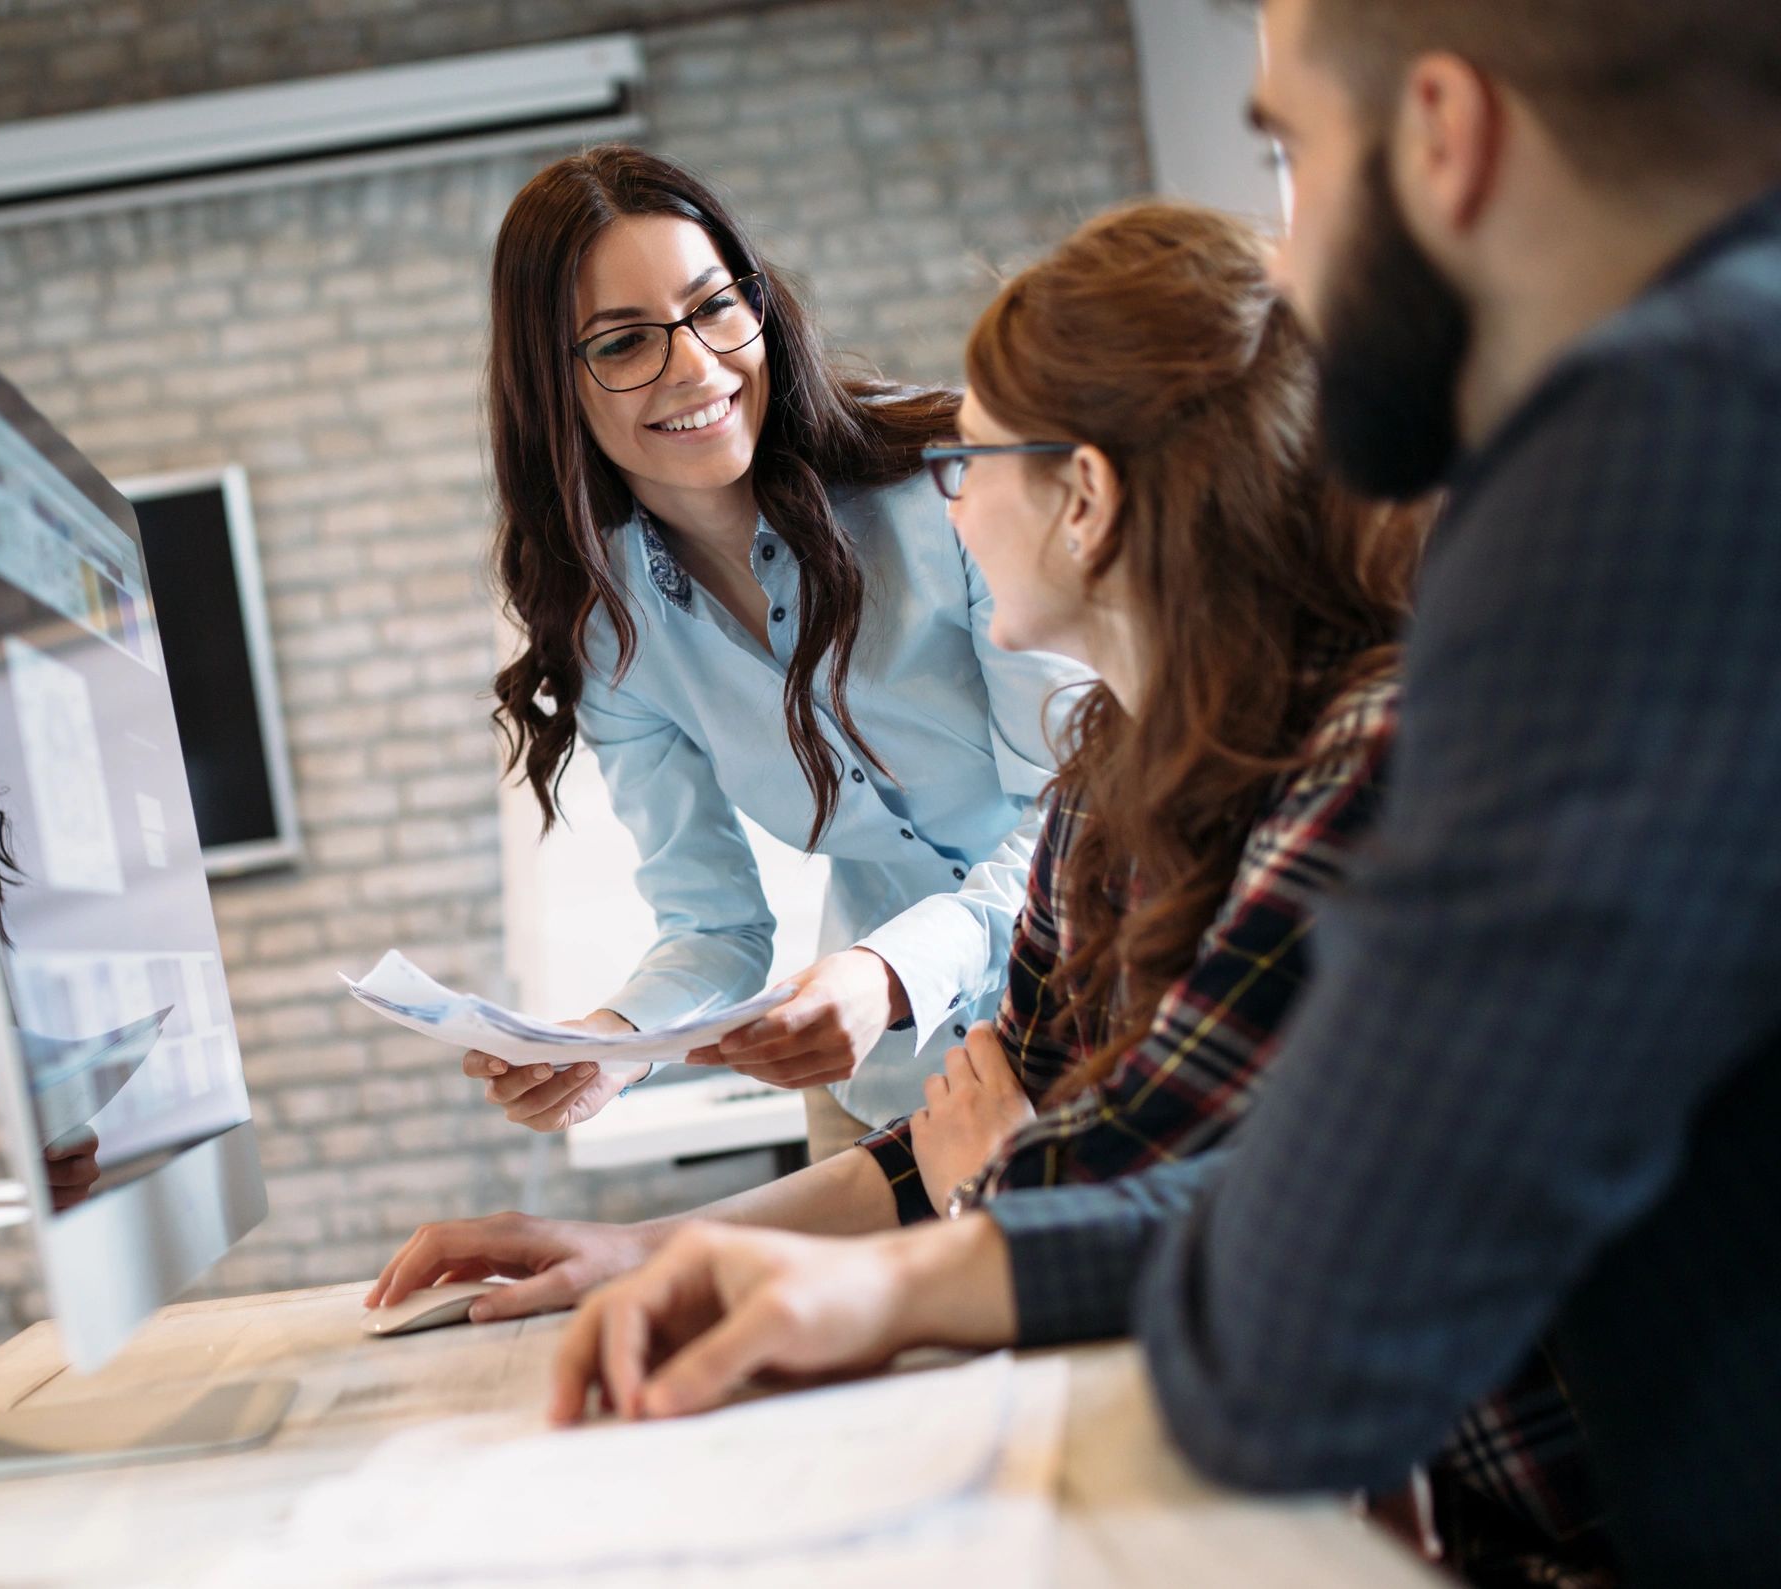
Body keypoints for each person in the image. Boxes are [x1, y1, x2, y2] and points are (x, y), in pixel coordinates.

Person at [544, 3, 1781, 1584]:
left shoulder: (1624, 505)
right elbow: (1277, 1202)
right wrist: (865, 1240)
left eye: (1292, 157)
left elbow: (1297, 1287)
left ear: (1448, 138)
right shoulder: (1105, 778)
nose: (1293, 282)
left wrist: (999, 1182)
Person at [381, 200, 1601, 1584]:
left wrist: (978, 1178)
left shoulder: (1362, 770)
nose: (948, 492)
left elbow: (1102, 1188)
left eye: (972, 457)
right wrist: (630, 1231)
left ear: (1085, 498)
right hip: (965, 1108)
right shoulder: (1107, 783)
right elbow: (986, 1140)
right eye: (622, 341)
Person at [475, 145, 1089, 1159]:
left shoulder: (948, 483)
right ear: (553, 387)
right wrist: (616, 1042)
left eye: (716, 306)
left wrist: (890, 973)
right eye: (624, 343)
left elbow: (1077, 812)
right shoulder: (611, 634)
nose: (698, 368)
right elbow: (714, 926)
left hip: (1106, 1025)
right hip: (892, 1097)